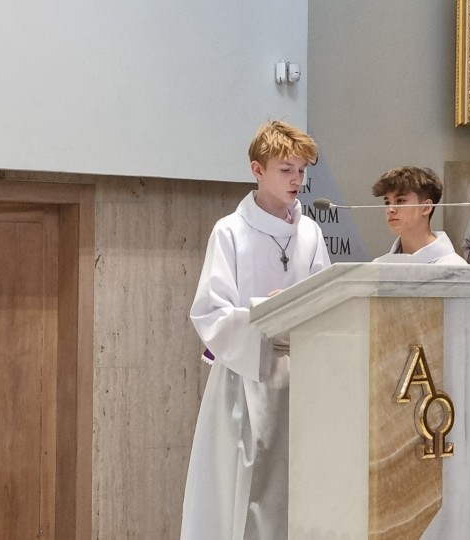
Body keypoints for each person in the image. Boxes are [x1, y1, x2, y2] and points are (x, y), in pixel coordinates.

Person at [182, 120, 331, 540]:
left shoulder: (310, 232)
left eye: (302, 171)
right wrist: (266, 311)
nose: (297, 180)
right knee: (243, 489)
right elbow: (209, 312)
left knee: (301, 487)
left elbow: (325, 300)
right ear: (257, 170)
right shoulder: (230, 230)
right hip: (245, 375)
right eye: (286, 170)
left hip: (302, 375)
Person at [370, 166, 466, 264]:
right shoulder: (377, 265)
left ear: (426, 207)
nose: (390, 209)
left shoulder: (454, 266)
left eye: (400, 200)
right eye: (387, 202)